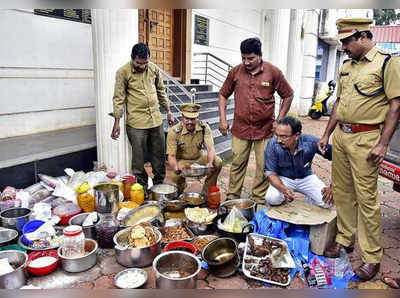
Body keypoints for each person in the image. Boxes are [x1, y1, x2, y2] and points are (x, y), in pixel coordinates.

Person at [317, 18, 400, 281]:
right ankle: (344, 239)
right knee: (342, 192)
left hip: (367, 138)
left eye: (346, 42)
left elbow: (396, 106)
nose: (343, 47)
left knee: (367, 200)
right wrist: (327, 133)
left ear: (363, 37)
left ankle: (372, 257)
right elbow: (339, 103)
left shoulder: (387, 62)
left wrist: (383, 143)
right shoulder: (346, 66)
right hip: (342, 137)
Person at [218, 37, 294, 203]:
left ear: (260, 55)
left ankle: (258, 200)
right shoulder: (235, 72)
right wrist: (222, 119)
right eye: (243, 58)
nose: (246, 62)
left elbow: (288, 94)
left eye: (250, 58)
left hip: (265, 129)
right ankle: (232, 199)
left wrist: (279, 121)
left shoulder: (273, 72)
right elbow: (223, 94)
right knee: (237, 164)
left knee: (263, 166)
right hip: (240, 128)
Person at [111, 43, 174, 190]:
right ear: (132, 59)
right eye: (139, 63)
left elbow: (161, 91)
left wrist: (168, 111)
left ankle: (160, 188)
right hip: (136, 123)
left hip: (155, 120)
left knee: (158, 157)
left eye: (145, 63)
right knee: (139, 161)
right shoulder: (123, 72)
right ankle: (142, 189)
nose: (142, 66)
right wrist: (117, 122)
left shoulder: (153, 69)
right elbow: (118, 98)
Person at [264, 116, 333, 208]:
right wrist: (284, 189)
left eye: (284, 136)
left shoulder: (311, 142)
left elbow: (339, 158)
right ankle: (286, 203)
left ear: (296, 135)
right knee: (272, 198)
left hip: (306, 177)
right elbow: (270, 173)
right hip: (284, 178)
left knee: (327, 202)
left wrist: (333, 186)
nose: (279, 140)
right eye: (277, 135)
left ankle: (309, 202)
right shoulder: (272, 144)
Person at [166, 103, 222, 194]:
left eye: (192, 119)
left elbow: (210, 148)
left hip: (199, 158)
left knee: (217, 162)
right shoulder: (174, 131)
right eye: (187, 118)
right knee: (173, 177)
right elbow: (171, 156)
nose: (189, 122)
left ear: (197, 117)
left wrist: (210, 163)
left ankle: (207, 192)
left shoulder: (204, 127)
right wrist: (176, 169)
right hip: (183, 161)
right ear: (182, 117)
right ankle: (181, 189)